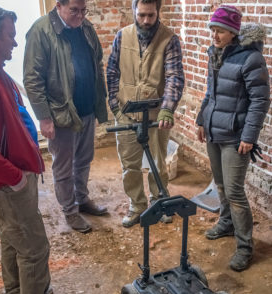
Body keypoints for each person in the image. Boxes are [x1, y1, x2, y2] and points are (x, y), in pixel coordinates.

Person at [0, 5, 51, 294]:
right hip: (7, 184)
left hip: (14, 179)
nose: (15, 43)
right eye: (11, 36)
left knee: (12, 239)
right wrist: (15, 177)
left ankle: (16, 292)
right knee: (34, 249)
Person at [23, 0, 108, 234]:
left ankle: (82, 199)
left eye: (84, 10)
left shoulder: (86, 27)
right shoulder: (41, 31)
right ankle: (70, 210)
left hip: (86, 109)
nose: (80, 16)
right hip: (61, 114)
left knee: (83, 160)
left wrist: (99, 101)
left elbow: (96, 63)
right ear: (58, 6)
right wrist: (44, 117)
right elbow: (33, 79)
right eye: (74, 11)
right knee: (63, 167)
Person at [196, 5, 270, 272]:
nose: (215, 35)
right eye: (213, 30)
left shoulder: (250, 59)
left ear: (234, 32)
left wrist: (249, 136)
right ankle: (226, 223)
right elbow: (210, 93)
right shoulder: (214, 53)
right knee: (221, 185)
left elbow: (260, 101)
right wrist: (201, 119)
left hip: (236, 137)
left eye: (221, 31)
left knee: (236, 191)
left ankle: (245, 247)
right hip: (215, 130)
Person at [107, 0, 184, 228]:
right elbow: (112, 72)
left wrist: (167, 109)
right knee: (130, 165)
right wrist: (114, 106)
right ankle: (137, 205)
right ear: (134, 11)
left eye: (151, 15)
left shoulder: (169, 39)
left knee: (158, 164)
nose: (146, 21)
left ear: (158, 11)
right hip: (127, 113)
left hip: (155, 117)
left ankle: (160, 202)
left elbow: (174, 77)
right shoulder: (122, 36)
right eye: (141, 15)